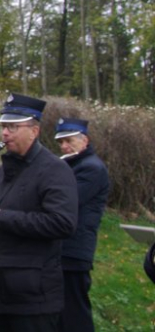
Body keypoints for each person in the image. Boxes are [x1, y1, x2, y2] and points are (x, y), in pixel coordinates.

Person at [0, 93, 78, 332]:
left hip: (33, 298)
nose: (4, 133)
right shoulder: (6, 168)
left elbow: (62, 223)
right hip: (2, 293)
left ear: (34, 131)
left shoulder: (55, 169)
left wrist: (0, 216)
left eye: (12, 127)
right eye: (3, 127)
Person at [54, 118, 109, 332]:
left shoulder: (92, 168)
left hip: (75, 250)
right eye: (61, 142)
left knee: (75, 313)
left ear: (84, 140)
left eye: (69, 141)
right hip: (64, 248)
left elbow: (67, 200)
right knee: (61, 312)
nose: (64, 147)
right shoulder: (71, 164)